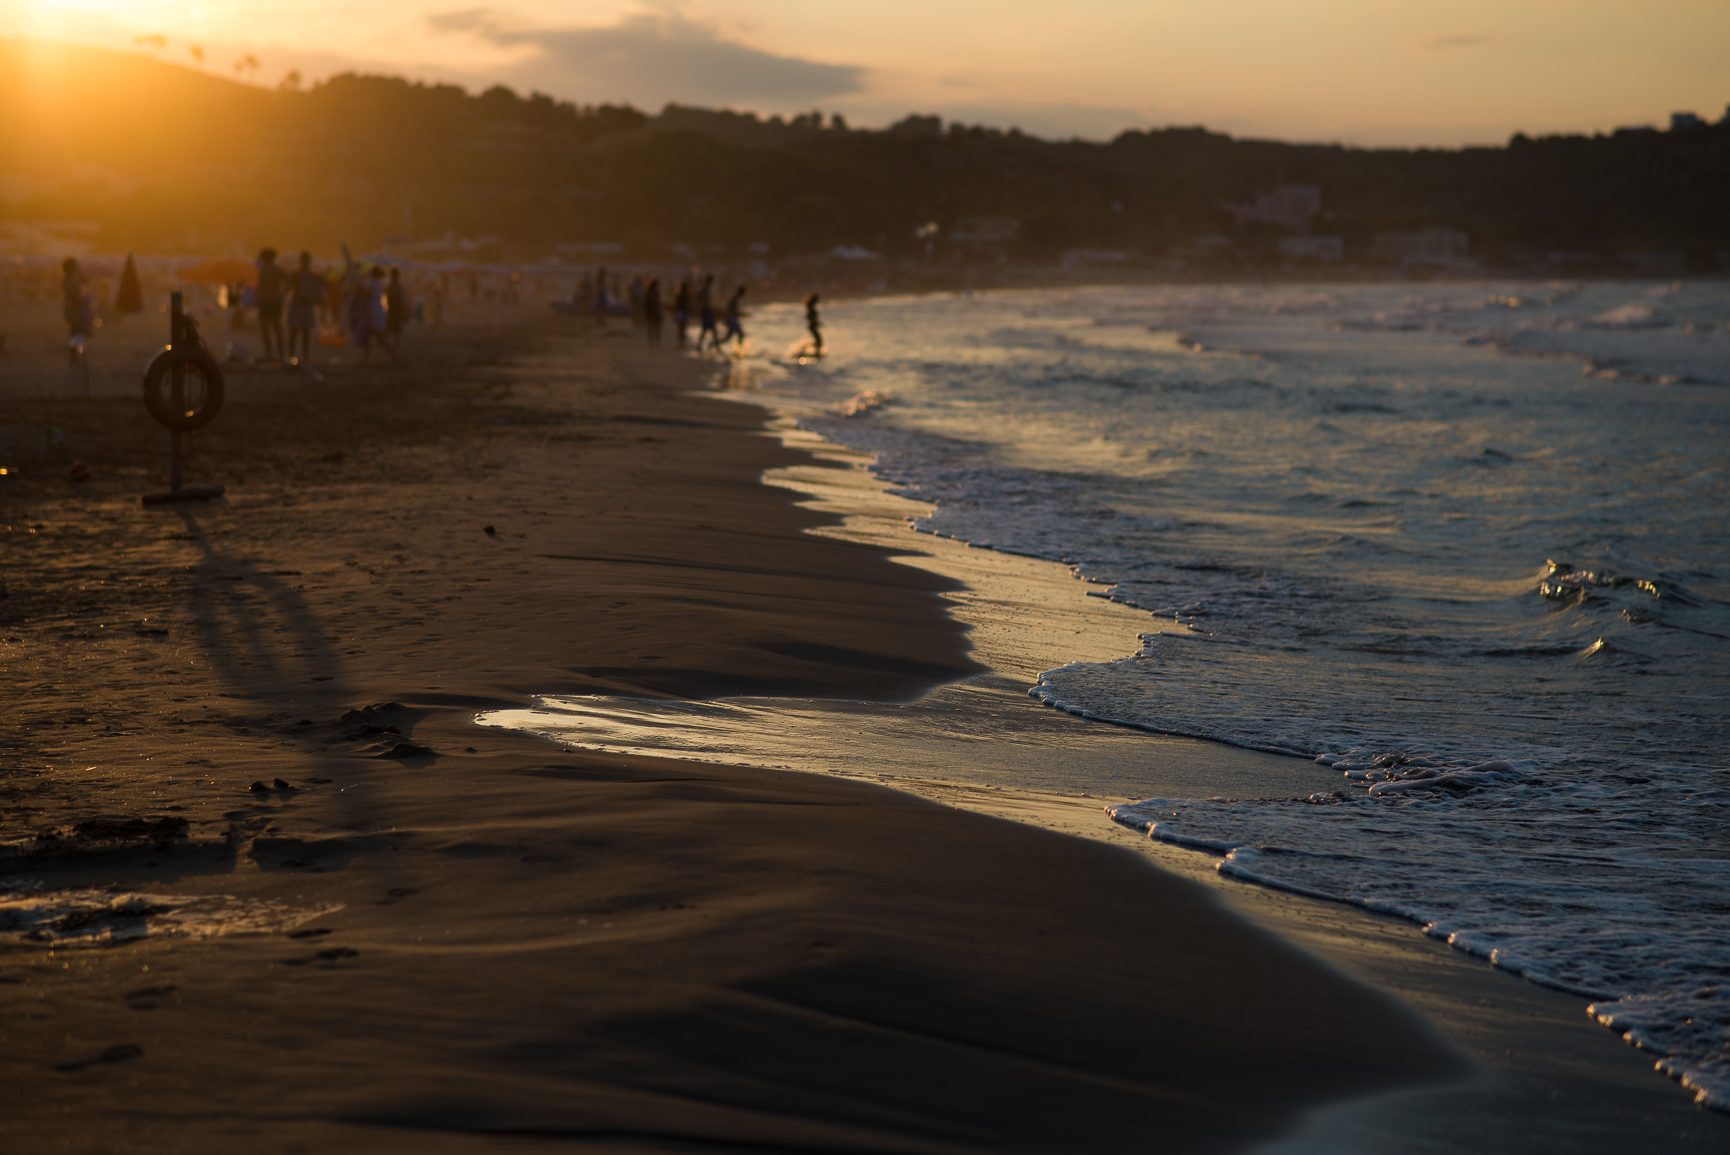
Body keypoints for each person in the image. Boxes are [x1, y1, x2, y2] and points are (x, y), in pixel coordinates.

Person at [286, 251, 325, 363]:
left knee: (306, 331)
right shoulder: (297, 274)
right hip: (297, 304)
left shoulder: (314, 274)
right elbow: (289, 286)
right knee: (294, 330)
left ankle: (305, 356)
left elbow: (323, 284)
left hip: (308, 305)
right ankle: (291, 355)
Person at [255, 248, 289, 361]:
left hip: (266, 301)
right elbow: (288, 281)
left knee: (265, 329)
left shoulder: (263, 270)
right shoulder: (277, 269)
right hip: (275, 300)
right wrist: (283, 293)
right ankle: (281, 355)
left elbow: (261, 285)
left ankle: (268, 354)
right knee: (277, 328)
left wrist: (256, 297)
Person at [359, 266, 398, 364]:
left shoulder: (372, 283)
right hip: (376, 311)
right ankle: (365, 359)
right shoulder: (377, 283)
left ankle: (394, 357)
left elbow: (366, 296)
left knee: (379, 338)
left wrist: (360, 288)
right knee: (375, 337)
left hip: (373, 312)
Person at [61, 257, 91, 365]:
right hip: (74, 308)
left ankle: (75, 354)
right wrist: (82, 299)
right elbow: (74, 295)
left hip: (71, 308)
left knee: (75, 330)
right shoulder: (71, 280)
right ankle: (74, 355)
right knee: (76, 330)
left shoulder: (68, 279)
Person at [385, 266, 409, 356]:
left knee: (392, 327)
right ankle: (395, 343)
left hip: (394, 309)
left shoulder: (395, 284)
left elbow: (394, 295)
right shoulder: (397, 284)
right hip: (397, 309)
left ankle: (386, 342)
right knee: (396, 328)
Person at [694, 273, 717, 351]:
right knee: (707, 329)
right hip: (705, 310)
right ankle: (701, 345)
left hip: (707, 310)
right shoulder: (704, 289)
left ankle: (702, 345)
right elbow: (698, 298)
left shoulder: (706, 289)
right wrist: (697, 309)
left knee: (710, 329)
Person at [721, 284, 747, 351]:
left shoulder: (735, 299)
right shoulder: (734, 299)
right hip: (732, 320)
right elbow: (730, 310)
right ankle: (737, 351)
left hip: (732, 319)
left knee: (728, 338)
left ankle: (713, 343)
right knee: (741, 335)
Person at [672, 277, 691, 347]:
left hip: (680, 313)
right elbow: (687, 306)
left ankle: (680, 343)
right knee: (683, 329)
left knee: (680, 329)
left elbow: (676, 306)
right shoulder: (686, 296)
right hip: (684, 313)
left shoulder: (679, 295)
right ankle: (682, 343)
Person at [643, 276, 662, 345]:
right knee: (652, 326)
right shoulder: (649, 293)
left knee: (655, 326)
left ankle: (656, 340)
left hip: (653, 311)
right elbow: (646, 303)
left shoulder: (654, 293)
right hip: (651, 311)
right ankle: (652, 340)